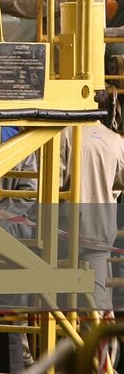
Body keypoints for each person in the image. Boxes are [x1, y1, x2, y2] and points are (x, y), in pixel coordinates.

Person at [63, 122, 124, 317]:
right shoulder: (115, 140)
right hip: (100, 233)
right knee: (96, 309)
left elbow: (51, 183)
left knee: (57, 309)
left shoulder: (62, 135)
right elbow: (119, 181)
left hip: (62, 234)